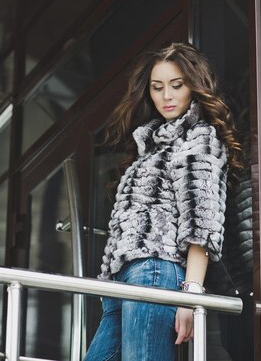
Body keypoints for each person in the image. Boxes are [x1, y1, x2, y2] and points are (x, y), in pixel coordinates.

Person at [84, 42, 244, 361]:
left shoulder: (199, 139)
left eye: (176, 85)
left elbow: (202, 223)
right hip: (123, 278)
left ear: (194, 87)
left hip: (156, 269)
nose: (166, 96)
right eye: (157, 88)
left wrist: (191, 294)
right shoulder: (153, 145)